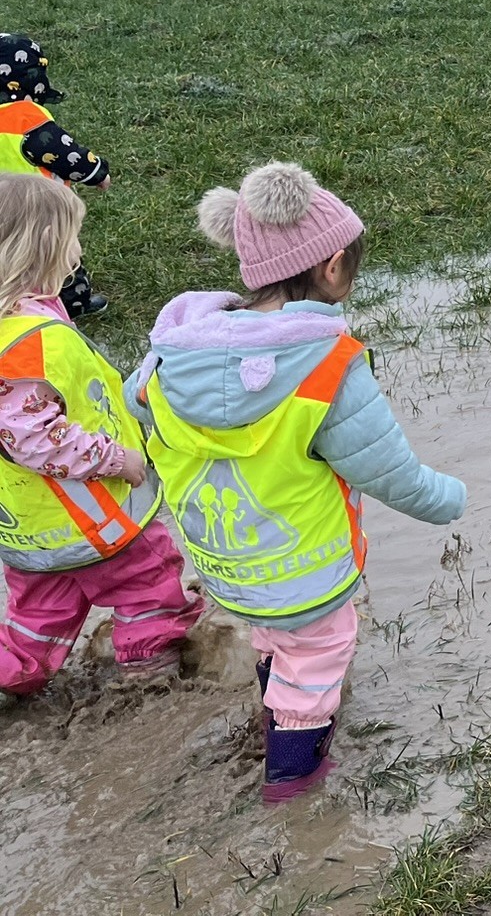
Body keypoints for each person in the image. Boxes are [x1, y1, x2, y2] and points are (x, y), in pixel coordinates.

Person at [131, 162, 466, 800]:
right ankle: (292, 783)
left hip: (224, 562)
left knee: (274, 635)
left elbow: (137, 412)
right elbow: (386, 469)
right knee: (315, 663)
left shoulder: (173, 354)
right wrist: (448, 497)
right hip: (304, 568)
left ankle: (273, 709)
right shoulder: (328, 366)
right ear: (333, 266)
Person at [0, 176, 201, 702]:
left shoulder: (24, 322)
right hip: (96, 522)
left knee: (33, 627)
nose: (79, 250)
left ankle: (13, 678)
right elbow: (33, 440)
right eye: (73, 237)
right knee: (151, 590)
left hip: (30, 536)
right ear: (43, 246)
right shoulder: (28, 344)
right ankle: (147, 684)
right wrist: (117, 459)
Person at [0, 34, 112, 317]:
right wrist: (96, 172)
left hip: (3, 208)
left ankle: (10, 301)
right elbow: (63, 152)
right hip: (38, 207)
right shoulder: (25, 118)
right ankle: (74, 302)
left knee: (8, 257)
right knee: (56, 254)